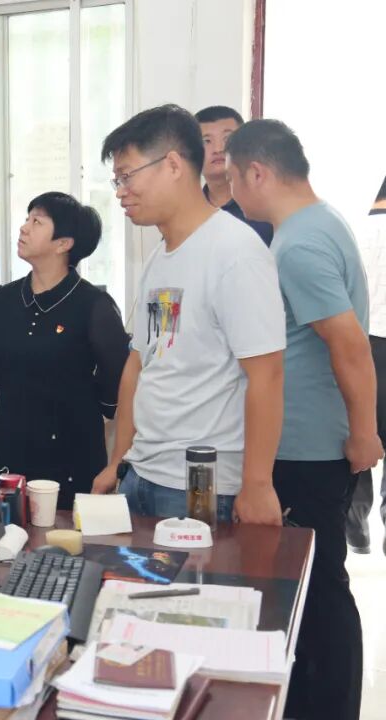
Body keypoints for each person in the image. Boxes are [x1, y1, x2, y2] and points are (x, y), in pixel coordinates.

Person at [227, 119, 381, 720]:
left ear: (257, 172)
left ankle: (328, 707)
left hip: (307, 449)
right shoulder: (319, 222)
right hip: (311, 441)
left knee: (316, 596)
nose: (232, 193)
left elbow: (350, 344)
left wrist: (364, 434)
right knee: (314, 589)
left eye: (233, 178)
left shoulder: (298, 245)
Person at [91, 104, 287, 528]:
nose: (121, 191)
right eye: (117, 180)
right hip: (141, 474)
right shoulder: (160, 256)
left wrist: (257, 485)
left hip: (201, 487)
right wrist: (118, 461)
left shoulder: (235, 252)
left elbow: (267, 375)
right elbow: (140, 364)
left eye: (127, 175)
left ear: (173, 165)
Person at [0, 192, 128, 510]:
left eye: (37, 222)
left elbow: (118, 378)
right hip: (11, 447)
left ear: (64, 243)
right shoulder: (3, 298)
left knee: (68, 535)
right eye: (27, 218)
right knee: (12, 530)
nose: (24, 227)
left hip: (72, 454)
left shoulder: (94, 305)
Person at [344, 173, 386, 555]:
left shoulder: (363, 226)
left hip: (366, 340)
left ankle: (356, 526)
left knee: (362, 429)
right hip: (371, 340)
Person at [194, 105, 273, 245]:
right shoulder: (186, 213)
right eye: (206, 141)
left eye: (227, 139)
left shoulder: (268, 208)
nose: (218, 149)